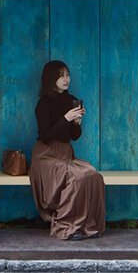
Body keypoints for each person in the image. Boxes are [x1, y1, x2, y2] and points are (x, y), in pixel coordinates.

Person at [29, 60, 106, 240]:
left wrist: (76, 122)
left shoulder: (71, 100)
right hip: (46, 155)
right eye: (61, 76)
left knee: (92, 174)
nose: (66, 79)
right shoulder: (43, 104)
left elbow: (74, 136)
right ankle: (66, 226)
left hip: (65, 153)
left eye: (68, 75)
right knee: (76, 177)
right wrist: (65, 119)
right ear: (51, 78)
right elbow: (45, 136)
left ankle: (87, 225)